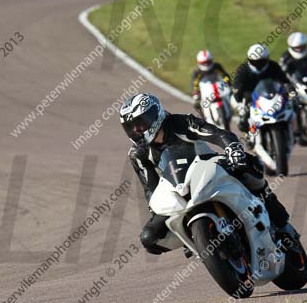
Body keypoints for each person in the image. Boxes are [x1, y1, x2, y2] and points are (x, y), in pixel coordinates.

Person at [119, 93, 295, 255]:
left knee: (249, 165)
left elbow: (218, 134)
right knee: (149, 238)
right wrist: (157, 210)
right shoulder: (138, 154)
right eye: (131, 127)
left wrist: (232, 149)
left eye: (140, 123)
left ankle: (280, 221)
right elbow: (150, 187)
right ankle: (192, 238)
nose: (136, 130)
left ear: (154, 115)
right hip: (179, 188)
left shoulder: (180, 123)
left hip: (210, 167)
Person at [233, 44, 290, 134]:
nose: (258, 65)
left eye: (261, 62)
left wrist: (288, 87)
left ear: (266, 59)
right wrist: (238, 93)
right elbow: (237, 85)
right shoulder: (243, 69)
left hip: (271, 94)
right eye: (255, 62)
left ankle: (296, 131)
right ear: (249, 60)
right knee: (245, 113)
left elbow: (284, 80)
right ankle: (250, 133)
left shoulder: (273, 66)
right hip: (251, 96)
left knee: (290, 106)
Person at [190, 50, 232, 117]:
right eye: (204, 63)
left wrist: (227, 82)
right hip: (205, 91)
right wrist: (195, 93)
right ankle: (204, 118)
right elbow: (194, 84)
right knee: (197, 105)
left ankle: (230, 110)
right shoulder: (197, 72)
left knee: (232, 96)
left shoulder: (216, 66)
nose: (206, 64)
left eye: (208, 62)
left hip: (219, 88)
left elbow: (224, 75)